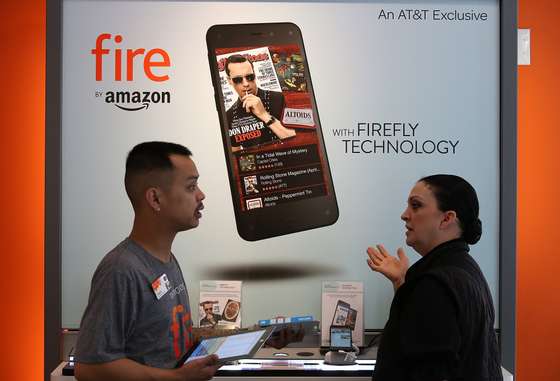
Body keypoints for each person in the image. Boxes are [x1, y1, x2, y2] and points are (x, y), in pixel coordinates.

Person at [75, 142, 220, 381]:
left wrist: (253, 338)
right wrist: (180, 378)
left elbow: (164, 339)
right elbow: (89, 369)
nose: (201, 195)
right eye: (191, 186)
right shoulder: (120, 270)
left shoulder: (167, 259)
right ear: (155, 198)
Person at [366, 174, 502, 381]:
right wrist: (401, 283)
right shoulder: (465, 270)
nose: (405, 215)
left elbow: (427, 370)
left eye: (416, 206)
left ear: (447, 218)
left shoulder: (435, 285)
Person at [225, 54, 295, 152]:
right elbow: (235, 158)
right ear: (229, 81)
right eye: (238, 80)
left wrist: (264, 114)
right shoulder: (229, 116)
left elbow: (296, 139)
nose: (246, 84)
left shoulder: (279, 98)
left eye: (249, 77)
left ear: (255, 75)